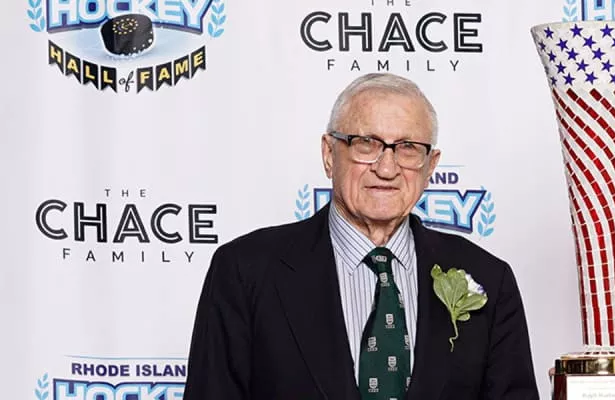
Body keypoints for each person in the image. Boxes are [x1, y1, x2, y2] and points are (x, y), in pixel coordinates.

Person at [183, 73, 540, 399]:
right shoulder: (246, 271)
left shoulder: (488, 279)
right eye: (366, 143)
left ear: (430, 166)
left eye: (408, 148)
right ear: (329, 154)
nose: (386, 168)